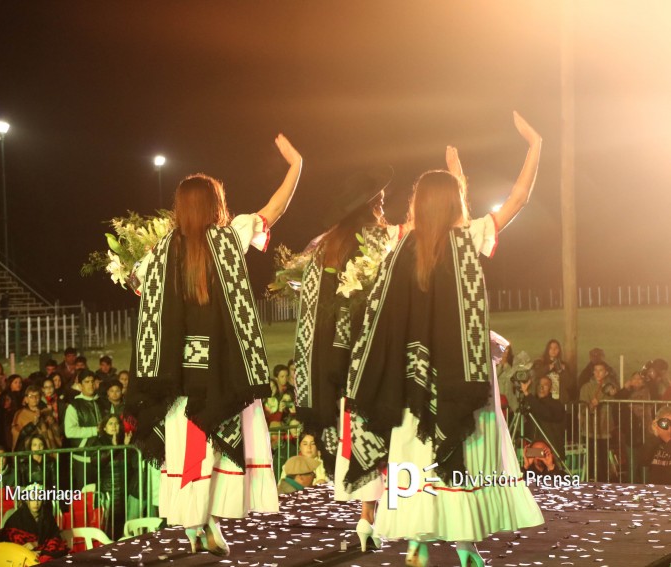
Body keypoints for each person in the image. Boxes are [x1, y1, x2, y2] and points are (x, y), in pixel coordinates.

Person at [344, 113, 544, 567]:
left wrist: (454, 178)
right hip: (463, 377)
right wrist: (535, 145)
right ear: (455, 203)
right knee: (464, 455)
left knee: (414, 455)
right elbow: (519, 197)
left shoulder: (402, 247)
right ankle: (465, 546)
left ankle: (416, 542)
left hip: (413, 382)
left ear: (418, 204)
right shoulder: (469, 238)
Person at [126, 134, 301, 556]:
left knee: (189, 451)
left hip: (177, 374)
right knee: (219, 446)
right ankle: (210, 525)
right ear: (215, 205)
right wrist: (296, 166)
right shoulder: (230, 237)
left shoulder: (161, 253)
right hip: (221, 369)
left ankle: (193, 526)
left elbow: (137, 288)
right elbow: (273, 209)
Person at [292, 172, 403, 550]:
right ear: (369, 208)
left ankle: (365, 518)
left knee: (356, 431)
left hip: (336, 360)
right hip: (374, 354)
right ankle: (380, 516)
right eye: (380, 202)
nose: (384, 208)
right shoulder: (375, 240)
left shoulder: (325, 247)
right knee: (383, 433)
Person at [2, 485, 69, 563]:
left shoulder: (47, 516)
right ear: (27, 500)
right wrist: (28, 552)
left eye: (39, 499)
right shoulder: (15, 519)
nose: (36, 503)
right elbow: (10, 547)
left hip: (44, 553)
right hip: (22, 557)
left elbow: (55, 538)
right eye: (32, 498)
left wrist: (37, 545)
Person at [579, 361, 619, 481]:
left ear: (606, 372)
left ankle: (604, 480)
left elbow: (616, 401)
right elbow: (582, 407)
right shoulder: (586, 387)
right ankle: (591, 480)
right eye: (595, 370)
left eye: (600, 370)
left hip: (605, 428)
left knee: (603, 456)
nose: (597, 373)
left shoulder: (611, 387)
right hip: (590, 428)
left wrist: (613, 394)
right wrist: (591, 405)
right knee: (591, 456)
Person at [639, 406, 671, 484]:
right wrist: (655, 434)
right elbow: (643, 461)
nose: (669, 427)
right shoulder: (654, 440)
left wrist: (666, 439)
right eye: (665, 423)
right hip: (656, 488)